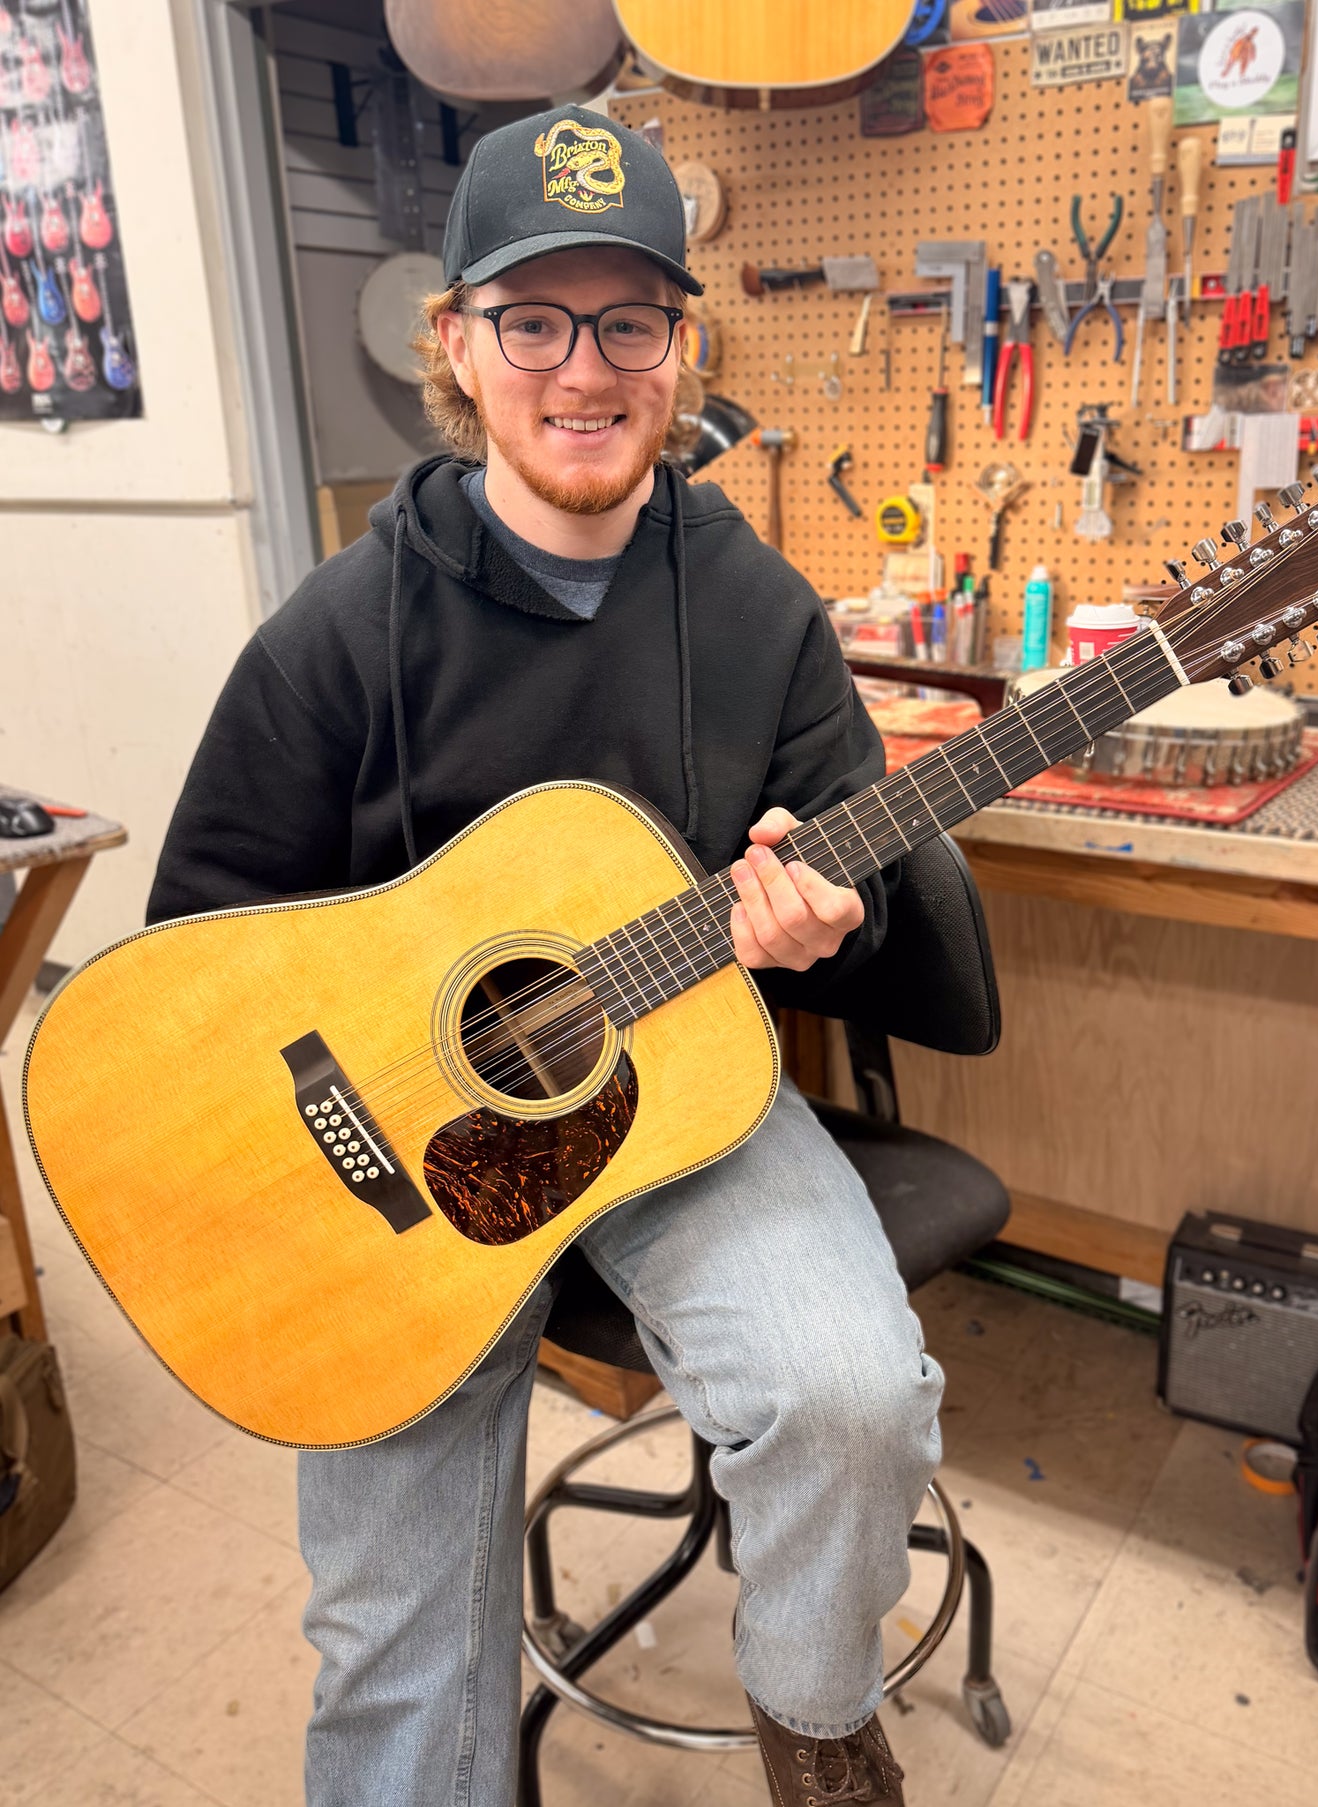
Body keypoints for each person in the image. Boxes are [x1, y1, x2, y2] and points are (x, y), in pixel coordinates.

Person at [148, 106, 942, 1807]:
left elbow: (867, 875)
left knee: (854, 1393)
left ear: (679, 346)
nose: (583, 372)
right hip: (390, 1171)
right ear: (457, 345)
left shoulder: (763, 616)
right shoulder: (336, 631)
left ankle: (812, 1712)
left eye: (629, 322)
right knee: (392, 1633)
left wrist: (830, 914)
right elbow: (190, 953)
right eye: (532, 321)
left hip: (679, 1112)